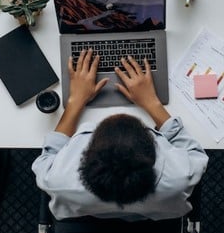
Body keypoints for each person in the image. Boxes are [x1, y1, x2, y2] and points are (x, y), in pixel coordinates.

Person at [32, 49, 208, 221]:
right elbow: (195, 153)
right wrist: (152, 103)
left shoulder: (58, 180)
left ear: (85, 156)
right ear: (155, 150)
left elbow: (49, 155)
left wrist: (75, 101)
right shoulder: (180, 177)